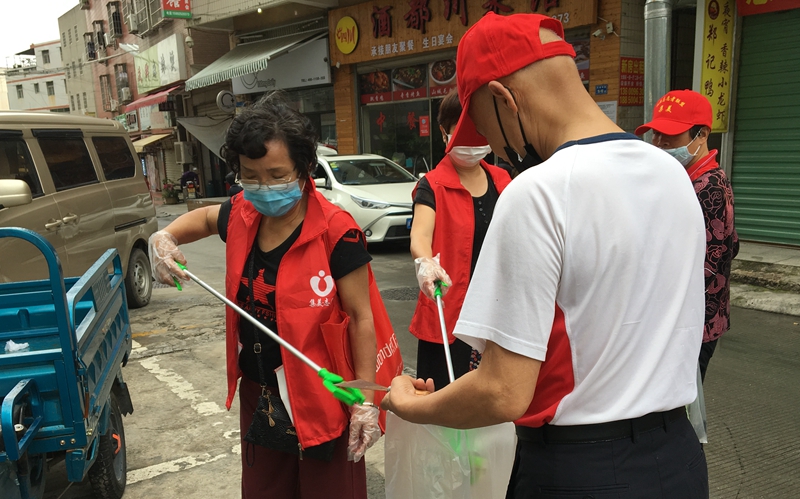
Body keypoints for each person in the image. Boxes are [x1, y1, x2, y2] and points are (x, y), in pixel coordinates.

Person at [382, 13, 709, 498]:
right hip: (678, 460)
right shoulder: (673, 176)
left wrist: (408, 404)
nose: (493, 148)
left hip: (582, 469)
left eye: (485, 129)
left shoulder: (538, 192)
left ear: (502, 97)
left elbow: (502, 390)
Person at [148, 93, 381, 499]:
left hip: (322, 395)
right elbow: (203, 217)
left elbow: (362, 318)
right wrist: (165, 237)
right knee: (265, 491)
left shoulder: (336, 232)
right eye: (250, 175)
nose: (263, 187)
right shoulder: (242, 213)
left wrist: (366, 400)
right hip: (261, 393)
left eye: (277, 175)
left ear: (306, 168)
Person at [410, 89, 512, 389]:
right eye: (463, 132)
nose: (473, 141)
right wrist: (426, 263)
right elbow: (420, 235)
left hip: (494, 312)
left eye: (480, 131)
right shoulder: (432, 185)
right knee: (443, 396)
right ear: (445, 132)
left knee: (491, 397)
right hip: (447, 312)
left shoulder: (502, 180)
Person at [636, 89, 739, 382]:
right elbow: (733, 244)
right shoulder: (689, 179)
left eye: (670, 137)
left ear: (702, 135)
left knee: (681, 405)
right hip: (690, 320)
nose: (659, 143)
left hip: (693, 324)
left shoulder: (708, 187)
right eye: (656, 135)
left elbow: (704, 265)